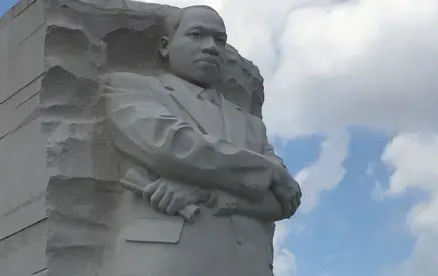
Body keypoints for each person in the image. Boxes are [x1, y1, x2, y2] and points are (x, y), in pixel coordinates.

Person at [101, 5, 301, 276]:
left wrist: (208, 194)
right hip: (170, 260)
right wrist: (269, 170)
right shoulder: (131, 88)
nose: (211, 47)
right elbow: (172, 146)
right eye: (197, 35)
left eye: (220, 40)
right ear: (165, 46)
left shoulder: (251, 125)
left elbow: (284, 200)